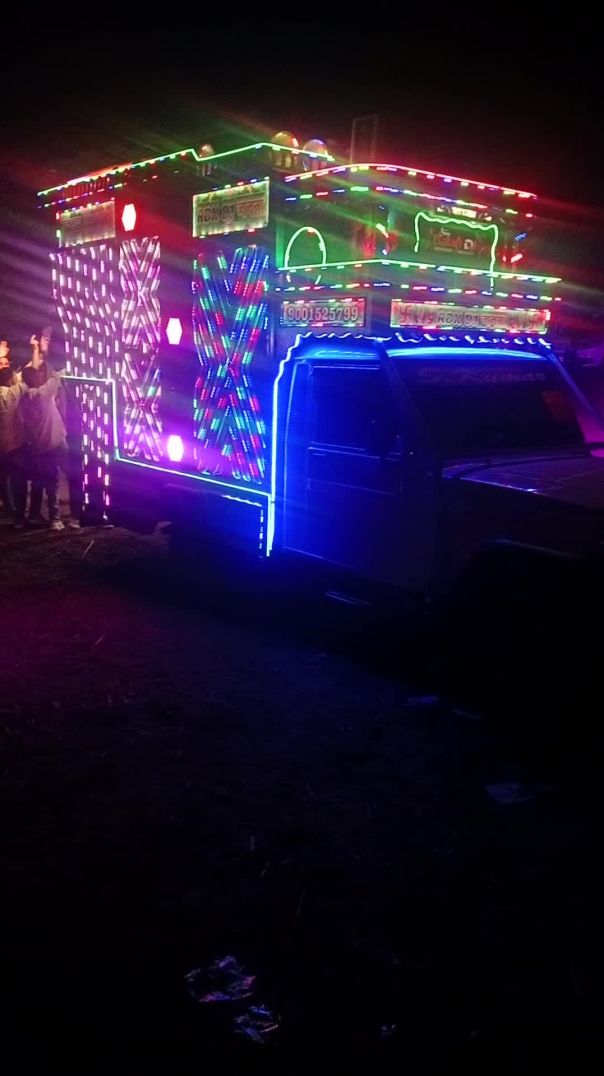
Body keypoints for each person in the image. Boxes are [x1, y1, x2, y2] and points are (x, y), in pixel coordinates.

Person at [21, 334, 67, 530]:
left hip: (36, 445)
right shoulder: (45, 393)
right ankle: (55, 519)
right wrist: (43, 351)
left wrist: (36, 350)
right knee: (53, 481)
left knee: (38, 481)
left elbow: (32, 372)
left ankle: (33, 516)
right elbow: (59, 373)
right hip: (53, 443)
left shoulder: (23, 398)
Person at [0, 366, 27, 526]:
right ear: (10, 379)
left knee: (2, 481)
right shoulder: (13, 392)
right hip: (16, 446)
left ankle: (8, 511)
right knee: (18, 481)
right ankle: (19, 516)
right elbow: (29, 377)